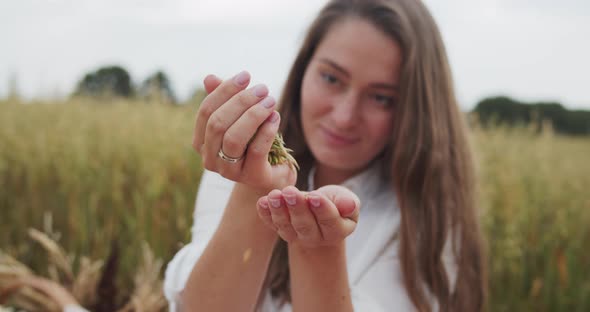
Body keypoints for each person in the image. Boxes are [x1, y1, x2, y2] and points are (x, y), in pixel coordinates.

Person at [164, 0, 486, 311]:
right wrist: (255, 191)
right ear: (303, 69)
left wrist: (318, 245)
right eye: (331, 78)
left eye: (380, 98)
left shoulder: (427, 216)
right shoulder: (246, 159)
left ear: (413, 111)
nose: (345, 116)